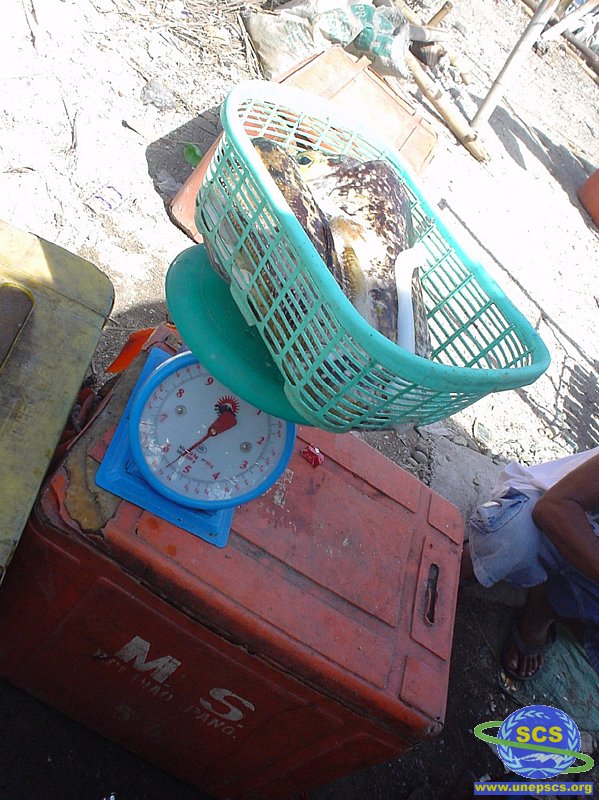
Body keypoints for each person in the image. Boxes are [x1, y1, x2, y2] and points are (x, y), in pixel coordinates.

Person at [462, 446, 599, 680]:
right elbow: (553, 507)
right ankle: (466, 562)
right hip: (547, 503)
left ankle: (539, 616)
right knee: (509, 540)